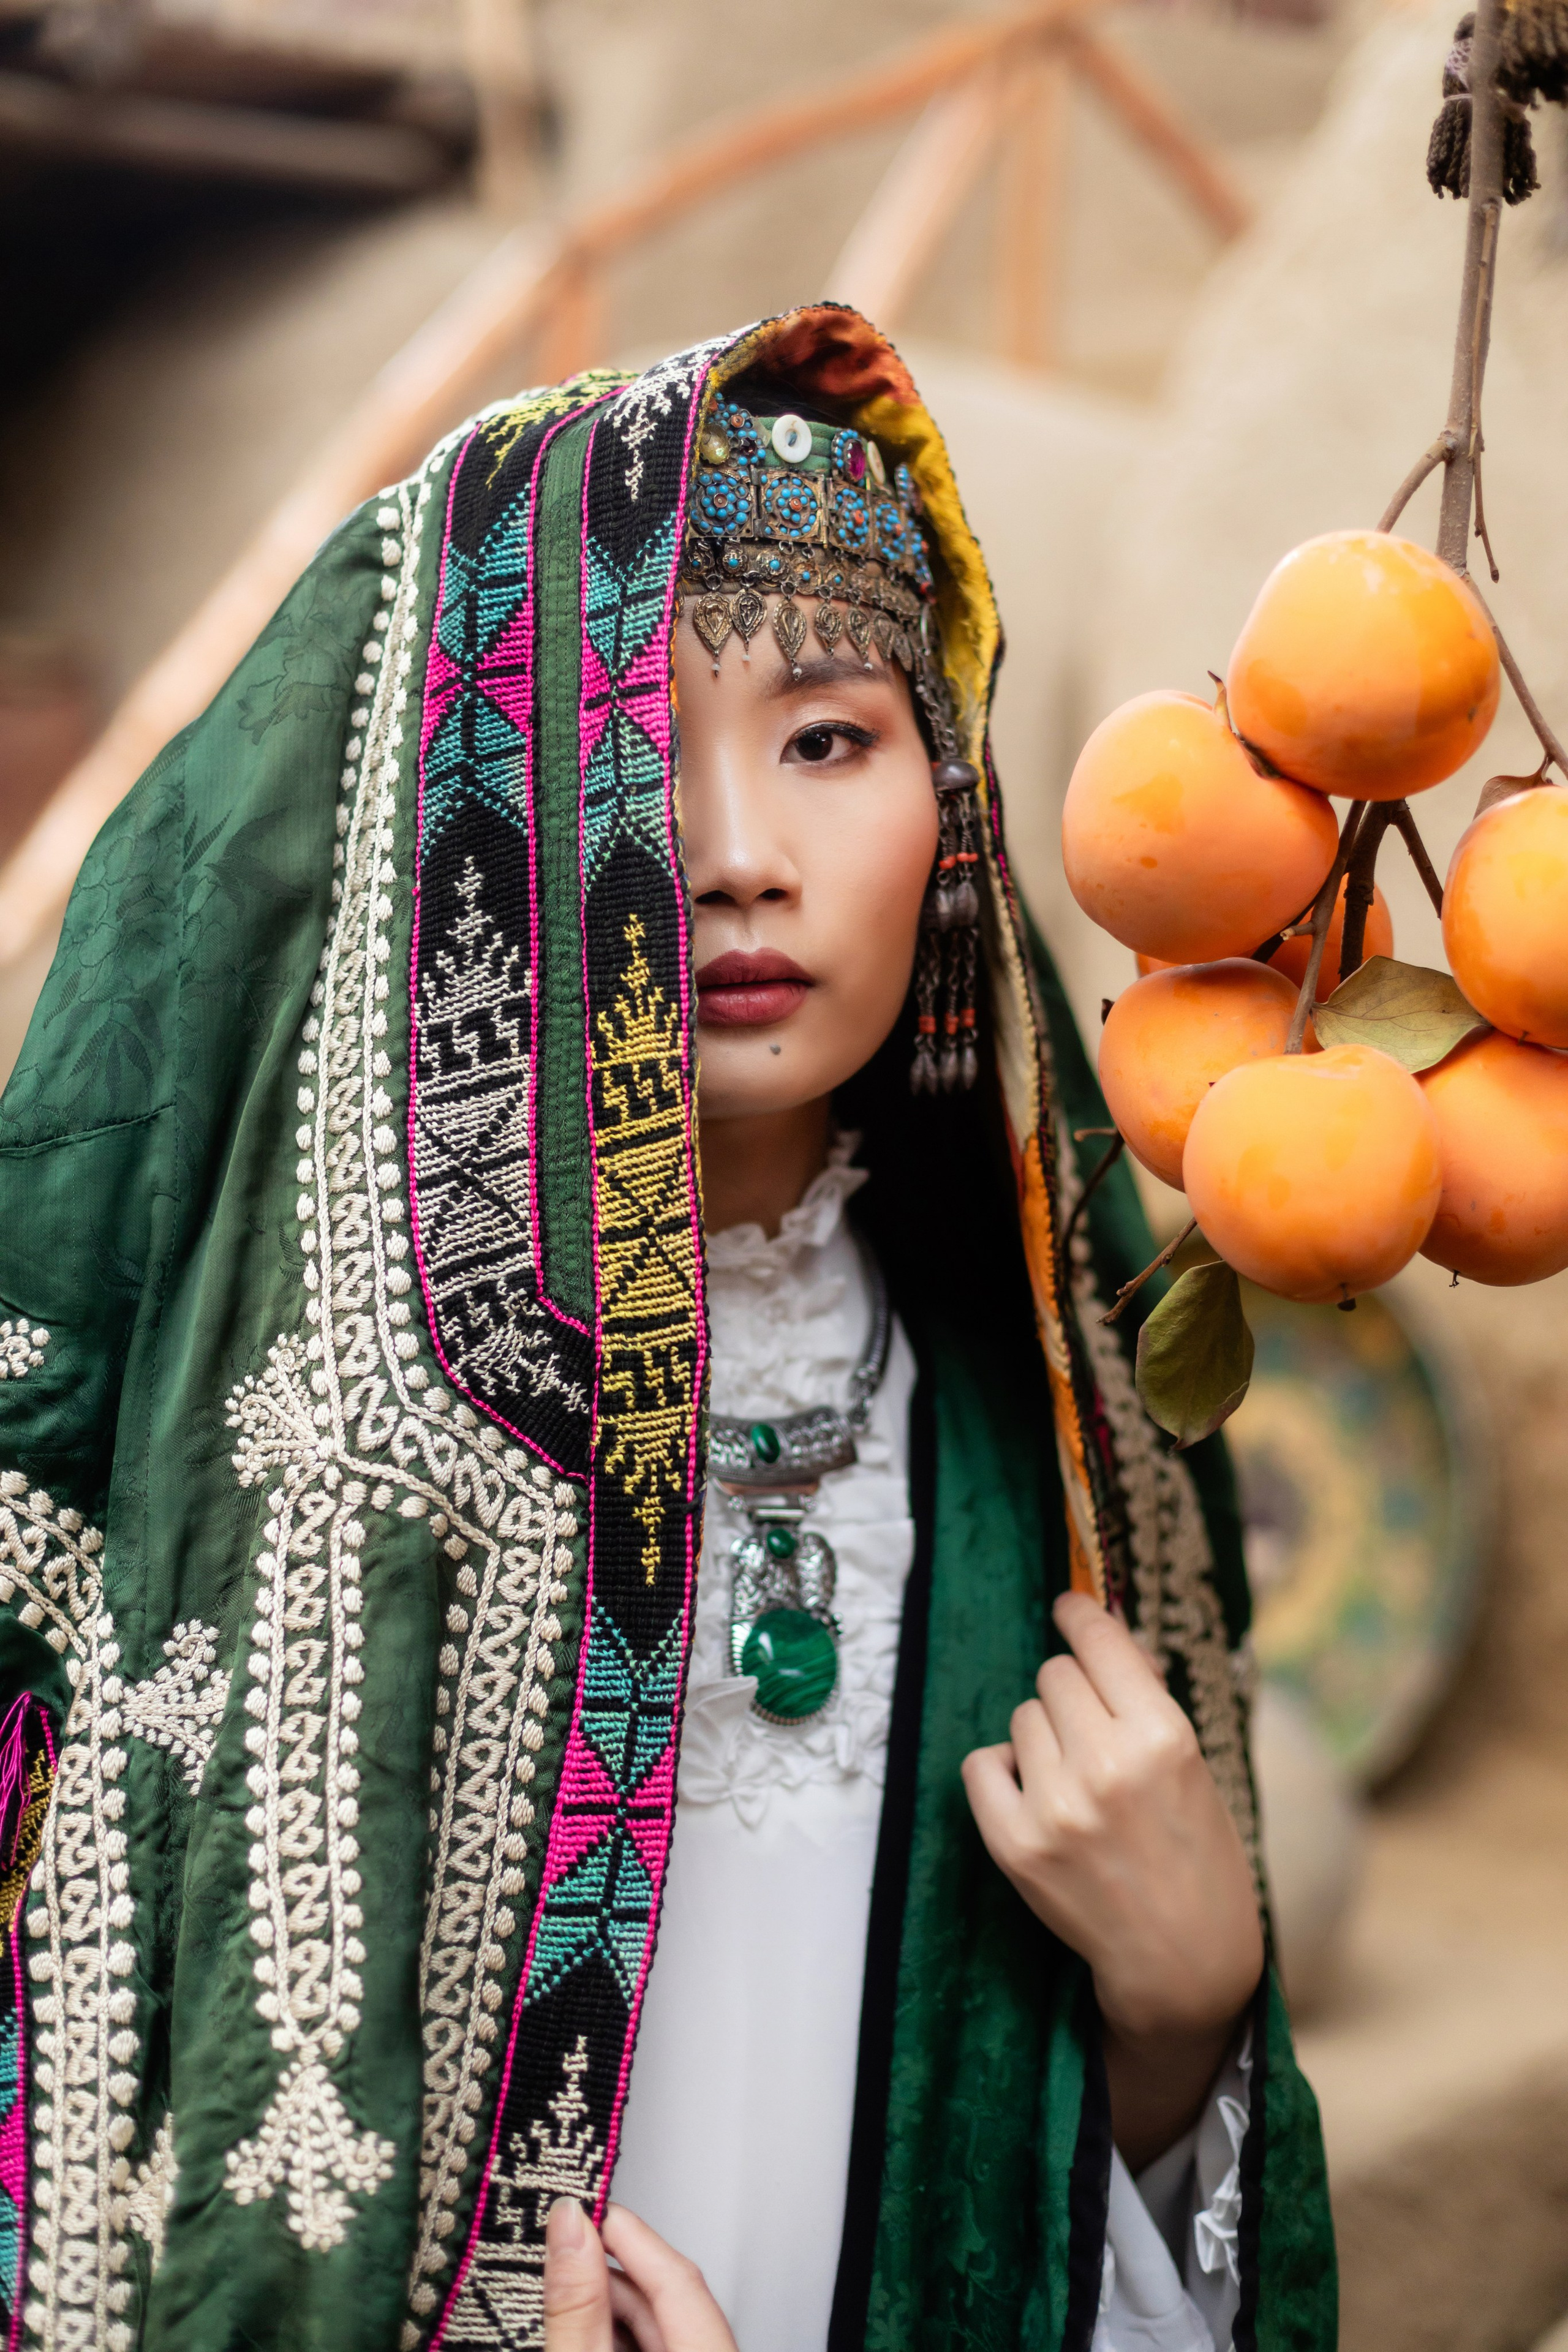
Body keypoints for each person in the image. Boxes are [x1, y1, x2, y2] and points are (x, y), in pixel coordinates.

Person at [0, 306, 1332, 2352]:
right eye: (620, 748)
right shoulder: (310, 1456)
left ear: (952, 817)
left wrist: (1179, 2021)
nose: (726, 860)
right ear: (458, 829)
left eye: (828, 739)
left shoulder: (1059, 1436)